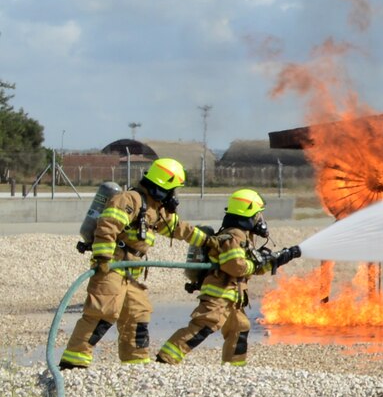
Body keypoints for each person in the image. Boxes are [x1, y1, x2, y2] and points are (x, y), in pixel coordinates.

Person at [60, 158, 207, 368]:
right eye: (172, 189)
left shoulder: (154, 209)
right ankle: (73, 362)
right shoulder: (129, 200)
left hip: (131, 273)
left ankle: (135, 364)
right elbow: (107, 226)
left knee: (138, 314)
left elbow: (178, 228)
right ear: (163, 185)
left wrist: (208, 241)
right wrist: (103, 259)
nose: (173, 196)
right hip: (112, 266)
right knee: (102, 312)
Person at [156, 189, 300, 366]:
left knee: (239, 328)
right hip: (219, 295)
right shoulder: (234, 236)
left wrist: (281, 258)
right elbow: (235, 266)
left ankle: (234, 368)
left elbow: (253, 268)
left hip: (232, 298)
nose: (260, 219)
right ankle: (164, 360)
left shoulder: (243, 237)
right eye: (258, 214)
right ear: (248, 213)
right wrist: (255, 264)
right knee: (203, 326)